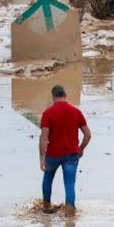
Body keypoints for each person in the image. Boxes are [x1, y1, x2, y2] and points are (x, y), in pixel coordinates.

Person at [39, 85, 91, 214]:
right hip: (71, 155)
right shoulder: (76, 112)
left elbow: (44, 137)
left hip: (53, 154)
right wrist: (81, 148)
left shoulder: (48, 113)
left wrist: (41, 157)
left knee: (48, 179)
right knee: (69, 183)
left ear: (53, 96)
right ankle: (69, 211)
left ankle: (46, 206)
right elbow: (88, 134)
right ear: (65, 95)